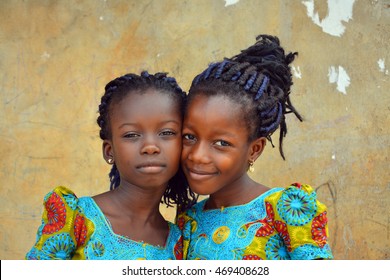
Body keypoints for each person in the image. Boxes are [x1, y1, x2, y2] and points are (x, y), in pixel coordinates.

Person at [177, 35, 333, 260]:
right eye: (189, 136)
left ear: (254, 149)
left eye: (221, 143)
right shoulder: (188, 223)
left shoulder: (286, 209)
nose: (198, 156)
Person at [26, 71, 196, 260]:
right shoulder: (77, 220)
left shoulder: (179, 244)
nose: (150, 147)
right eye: (131, 135)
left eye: (166, 132)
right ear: (109, 151)